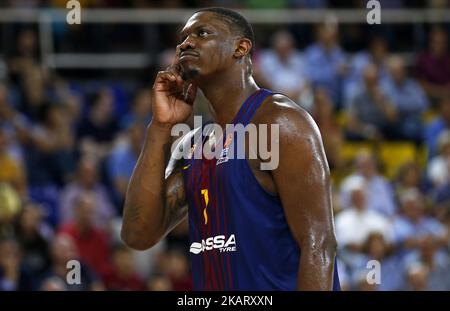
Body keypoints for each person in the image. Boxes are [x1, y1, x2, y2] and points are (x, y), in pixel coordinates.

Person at [121, 7, 340, 291]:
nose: (185, 43)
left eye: (201, 33)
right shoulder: (193, 144)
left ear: (241, 47)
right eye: (183, 38)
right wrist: (160, 127)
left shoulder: (282, 123)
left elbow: (319, 244)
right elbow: (137, 235)